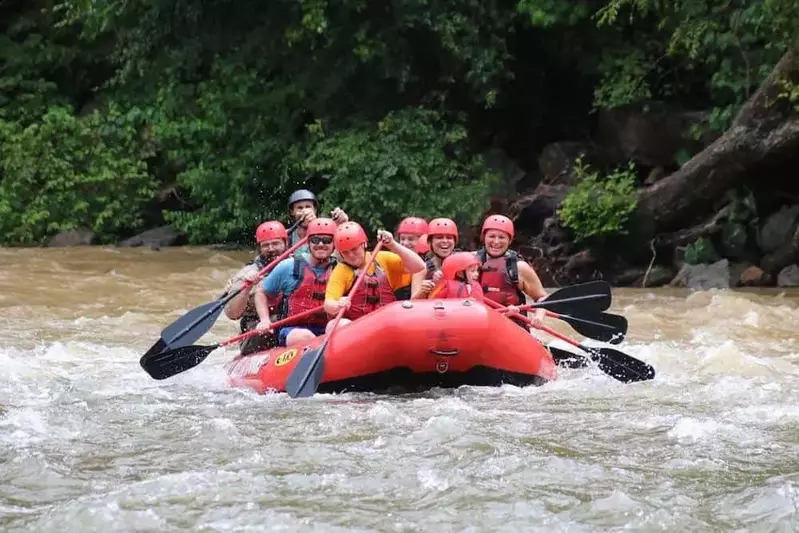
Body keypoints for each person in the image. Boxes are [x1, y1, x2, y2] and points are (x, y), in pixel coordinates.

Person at [253, 218, 338, 346]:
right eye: (315, 240)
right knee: (304, 336)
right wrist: (264, 320)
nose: (321, 244)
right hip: (292, 331)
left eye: (327, 240)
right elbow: (261, 292)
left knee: (342, 325)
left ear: (334, 244)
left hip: (326, 328)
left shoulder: (341, 269)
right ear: (308, 242)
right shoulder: (289, 266)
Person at [324, 222, 426, 327]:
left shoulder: (382, 259)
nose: (351, 255)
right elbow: (328, 304)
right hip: (357, 328)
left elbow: (419, 266)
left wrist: (392, 244)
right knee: (336, 324)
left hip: (386, 324)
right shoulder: (341, 271)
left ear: (364, 244)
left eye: (354, 249)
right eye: (345, 252)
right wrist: (337, 305)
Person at [223, 220, 288, 355]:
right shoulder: (247, 273)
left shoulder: (299, 264)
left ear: (286, 244)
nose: (271, 249)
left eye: (276, 243)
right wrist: (247, 288)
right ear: (259, 248)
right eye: (266, 245)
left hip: (291, 326)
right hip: (258, 334)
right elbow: (232, 313)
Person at [477, 214, 547, 329]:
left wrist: (538, 317)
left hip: (511, 328)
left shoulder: (520, 267)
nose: (496, 241)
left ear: (509, 240)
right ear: (483, 237)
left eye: (502, 237)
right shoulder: (470, 262)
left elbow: (542, 298)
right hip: (480, 327)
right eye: (491, 236)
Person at [286, 189, 348, 254]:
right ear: (292, 212)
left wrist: (344, 225)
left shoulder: (328, 233)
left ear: (315, 210)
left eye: (308, 207)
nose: (305, 212)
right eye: (300, 208)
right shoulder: (287, 236)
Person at [410, 217, 459, 299]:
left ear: (454, 242)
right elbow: (413, 301)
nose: (445, 241)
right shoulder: (421, 269)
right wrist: (422, 291)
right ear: (430, 242)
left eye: (449, 237)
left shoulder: (464, 264)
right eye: (439, 237)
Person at [393, 216, 429, 300]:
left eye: (410, 239)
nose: (405, 243)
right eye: (402, 239)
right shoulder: (394, 260)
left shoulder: (429, 264)